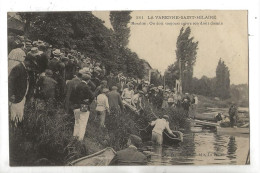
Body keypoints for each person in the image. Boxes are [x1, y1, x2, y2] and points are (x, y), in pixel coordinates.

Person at [9, 56, 37, 127]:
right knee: (14, 113)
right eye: (31, 63)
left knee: (19, 113)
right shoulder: (18, 68)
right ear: (27, 61)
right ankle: (15, 130)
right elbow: (10, 82)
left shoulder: (24, 68)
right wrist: (11, 94)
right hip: (17, 96)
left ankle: (17, 127)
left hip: (22, 95)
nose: (31, 65)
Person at [70, 74, 94, 141]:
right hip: (84, 105)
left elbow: (71, 97)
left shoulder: (76, 86)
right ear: (88, 80)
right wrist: (88, 102)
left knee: (77, 122)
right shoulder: (86, 87)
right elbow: (92, 96)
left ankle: (74, 137)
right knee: (83, 123)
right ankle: (80, 140)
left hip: (76, 106)